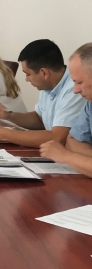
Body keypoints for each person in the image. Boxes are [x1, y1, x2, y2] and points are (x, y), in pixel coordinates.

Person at [0, 40, 84, 147]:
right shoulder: (48, 86)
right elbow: (39, 119)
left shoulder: (75, 89)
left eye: (28, 74)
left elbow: (58, 138)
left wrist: (4, 134)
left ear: (44, 73)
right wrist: (7, 115)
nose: (26, 79)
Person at [40, 43, 92, 176]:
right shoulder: (90, 104)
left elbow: (67, 149)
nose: (75, 90)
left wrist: (65, 156)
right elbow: (72, 141)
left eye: (79, 82)